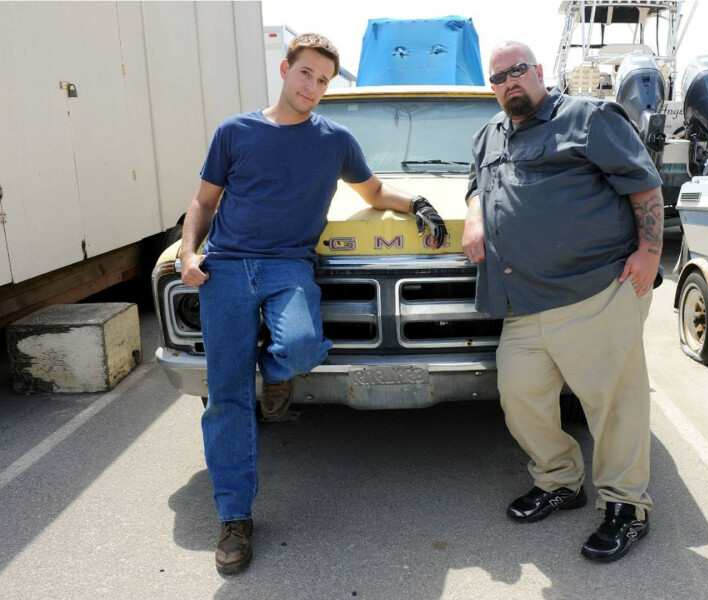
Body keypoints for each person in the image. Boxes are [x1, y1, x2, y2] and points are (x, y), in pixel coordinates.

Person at [180, 32, 448, 575]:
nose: (313, 86)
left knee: (302, 346)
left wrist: (418, 201)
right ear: (285, 69)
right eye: (306, 73)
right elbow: (203, 201)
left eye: (323, 80)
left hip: (289, 266)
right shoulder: (235, 132)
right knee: (227, 397)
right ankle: (234, 517)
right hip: (226, 269)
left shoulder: (335, 140)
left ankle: (276, 373)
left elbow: (374, 192)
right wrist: (188, 252)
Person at [462, 41, 663, 563]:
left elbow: (644, 186)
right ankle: (560, 481)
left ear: (538, 71)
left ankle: (626, 507)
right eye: (498, 77)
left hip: (594, 290)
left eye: (517, 70)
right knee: (520, 397)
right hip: (521, 303)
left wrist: (649, 251)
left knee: (614, 406)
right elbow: (476, 184)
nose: (509, 81)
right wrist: (475, 215)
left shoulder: (589, 117)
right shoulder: (489, 133)